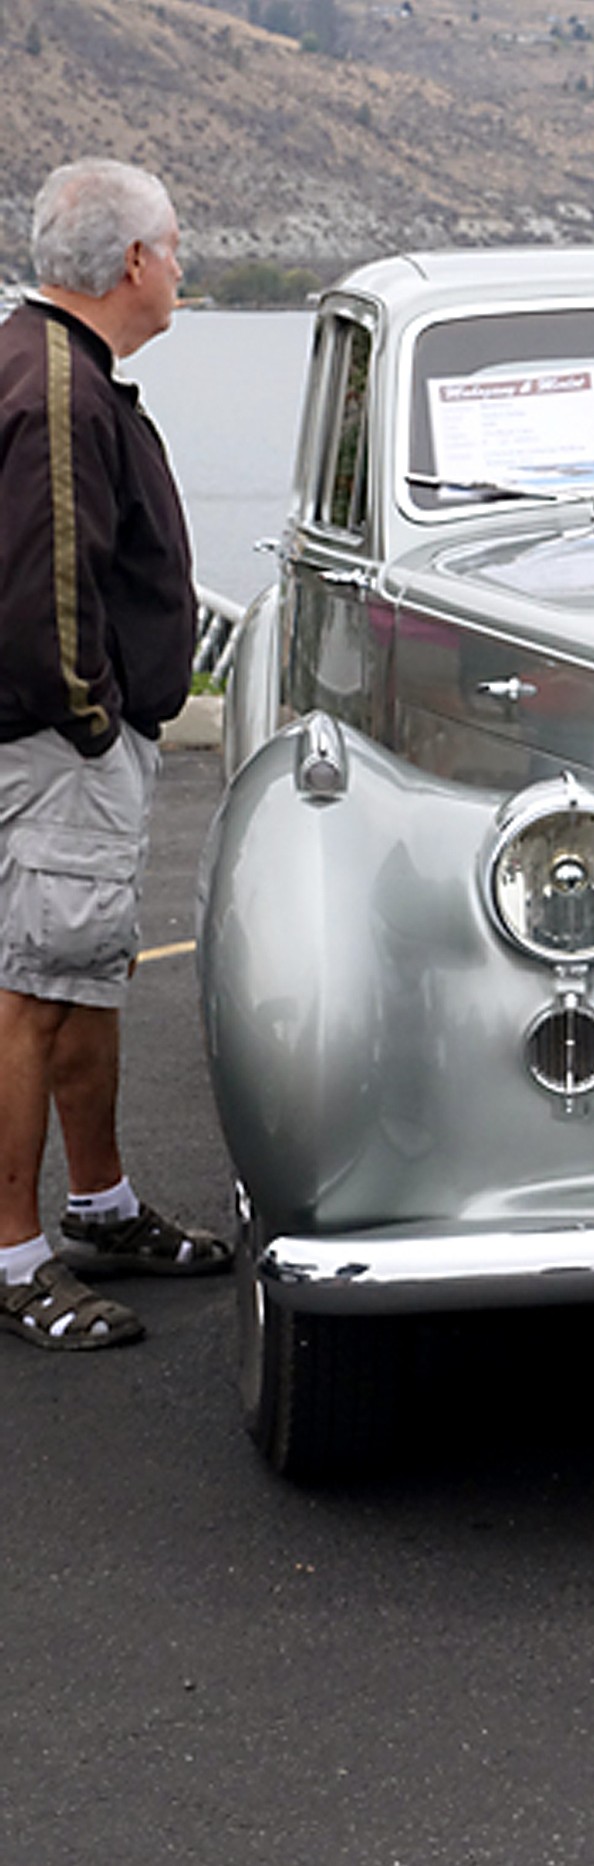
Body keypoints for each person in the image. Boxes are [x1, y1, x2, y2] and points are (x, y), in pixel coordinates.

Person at [0, 158, 229, 1350]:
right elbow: (48, 592)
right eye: (175, 245)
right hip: (59, 752)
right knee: (36, 993)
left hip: (73, 749)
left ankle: (101, 1204)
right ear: (133, 260)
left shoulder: (62, 370)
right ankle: (13, 1255)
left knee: (82, 975)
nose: (182, 265)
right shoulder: (57, 389)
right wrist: (93, 720)